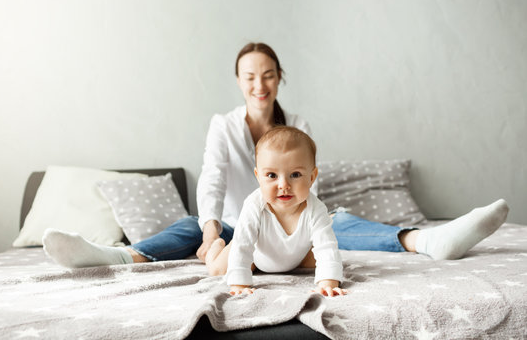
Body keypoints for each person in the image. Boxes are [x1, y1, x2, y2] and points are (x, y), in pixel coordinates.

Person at [42, 42, 510, 269]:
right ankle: (116, 258)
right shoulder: (223, 126)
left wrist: (306, 230)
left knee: (339, 218)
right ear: (239, 82)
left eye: (267, 75)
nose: (258, 85)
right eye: (249, 76)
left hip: (294, 219)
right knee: (190, 225)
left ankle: (427, 241)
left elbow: (312, 189)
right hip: (235, 223)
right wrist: (210, 232)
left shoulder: (299, 126)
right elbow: (212, 181)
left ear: (278, 78)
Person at [205, 126, 348, 297]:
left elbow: (326, 247)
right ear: (258, 177)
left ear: (311, 177)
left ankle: (300, 265)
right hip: (256, 257)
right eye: (272, 175)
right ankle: (215, 248)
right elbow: (243, 246)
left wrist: (328, 284)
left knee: (325, 261)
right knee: (219, 269)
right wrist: (240, 284)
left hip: (297, 257)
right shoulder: (253, 205)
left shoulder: (316, 208)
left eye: (295, 175)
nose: (283, 185)